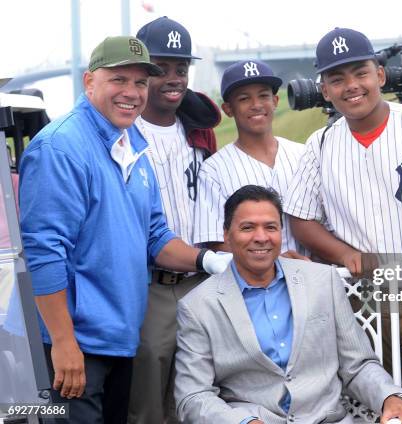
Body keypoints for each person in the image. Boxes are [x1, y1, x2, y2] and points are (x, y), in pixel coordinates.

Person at [18, 36, 231, 423]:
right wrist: (64, 344)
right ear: (89, 82)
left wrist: (210, 259)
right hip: (79, 346)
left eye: (139, 82)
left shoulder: (132, 143)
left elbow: (155, 235)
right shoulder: (60, 147)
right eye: (119, 80)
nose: (131, 92)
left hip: (121, 339)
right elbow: (45, 251)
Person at [284, 27, 402, 422]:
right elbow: (300, 216)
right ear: (324, 90)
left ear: (380, 74)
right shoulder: (321, 143)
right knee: (373, 406)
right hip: (364, 303)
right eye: (337, 79)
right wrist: (345, 253)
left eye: (360, 72)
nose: (351, 86)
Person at [174, 184, 402, 424]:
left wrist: (390, 396)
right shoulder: (198, 306)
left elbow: (358, 366)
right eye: (247, 227)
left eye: (270, 227)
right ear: (226, 234)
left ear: (281, 231)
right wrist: (243, 422)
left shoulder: (323, 281)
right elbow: (193, 396)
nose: (261, 237)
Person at [127, 17, 222, 424]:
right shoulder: (123, 129)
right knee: (147, 400)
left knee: (203, 393)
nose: (172, 78)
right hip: (150, 283)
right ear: (142, 74)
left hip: (202, 276)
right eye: (160, 68)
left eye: (181, 69)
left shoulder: (199, 129)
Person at [200, 59, 305, 255]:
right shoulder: (213, 169)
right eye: (244, 98)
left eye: (263, 95)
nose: (256, 105)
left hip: (310, 274)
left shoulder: (303, 154)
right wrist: (275, 264)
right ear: (228, 109)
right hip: (250, 283)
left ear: (275, 101)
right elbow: (215, 241)